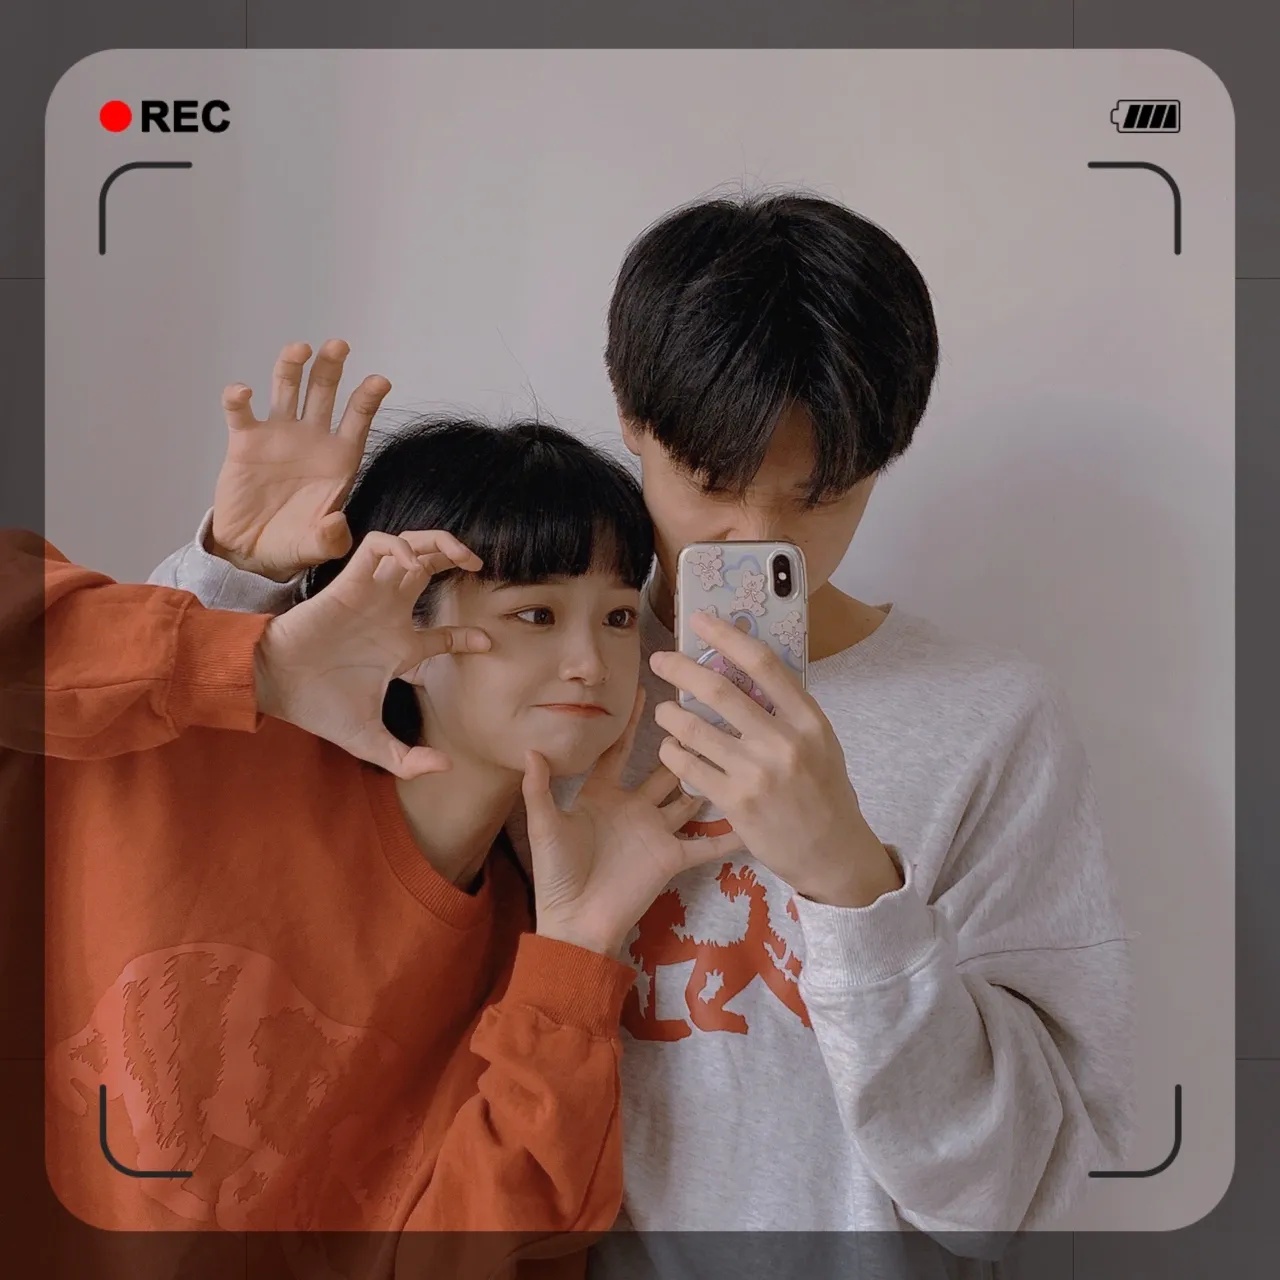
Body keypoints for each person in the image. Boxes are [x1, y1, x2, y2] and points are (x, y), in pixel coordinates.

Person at [153, 192, 1134, 1278]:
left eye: (817, 497)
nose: (756, 536)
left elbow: (1013, 1199)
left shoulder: (990, 719)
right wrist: (235, 570)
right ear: (629, 416)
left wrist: (852, 886)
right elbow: (198, 825)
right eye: (710, 484)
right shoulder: (525, 670)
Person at [4, 402, 742, 1280]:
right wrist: (254, 652)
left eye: (617, 618)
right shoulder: (171, 749)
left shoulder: (525, 959)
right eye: (536, 614)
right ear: (406, 631)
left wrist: (580, 951)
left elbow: (473, 1253)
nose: (591, 662)